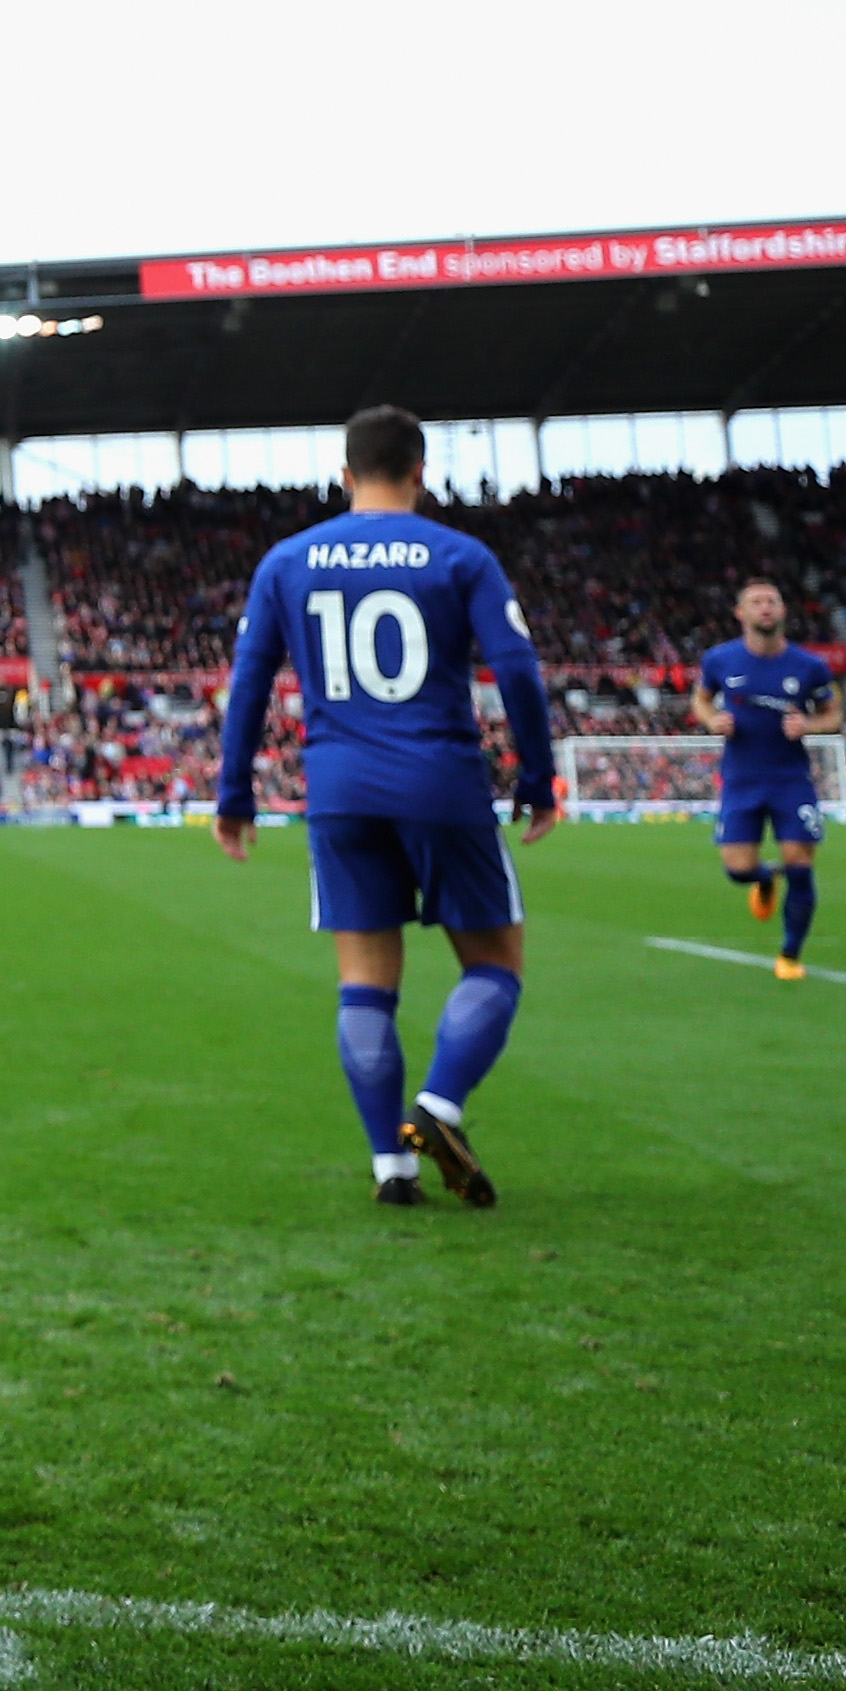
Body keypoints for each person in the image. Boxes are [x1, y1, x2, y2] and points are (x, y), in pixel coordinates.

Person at [215, 406, 558, 1210]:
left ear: (344, 476)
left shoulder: (286, 561)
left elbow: (249, 684)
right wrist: (537, 779)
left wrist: (234, 793)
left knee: (365, 985)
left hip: (340, 792)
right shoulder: (461, 555)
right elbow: (516, 668)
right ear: (420, 472)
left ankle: (390, 1166)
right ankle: (437, 1108)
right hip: (440, 780)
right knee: (495, 964)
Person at [691, 577, 840, 982]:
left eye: (772, 600)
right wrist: (711, 720)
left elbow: (835, 715)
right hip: (741, 780)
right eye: (756, 602)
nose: (765, 607)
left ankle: (790, 955)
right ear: (741, 613)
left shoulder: (810, 666)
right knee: (737, 868)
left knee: (801, 864)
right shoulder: (720, 660)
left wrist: (809, 724)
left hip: (791, 779)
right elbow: (701, 699)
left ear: (783, 611)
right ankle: (763, 879)